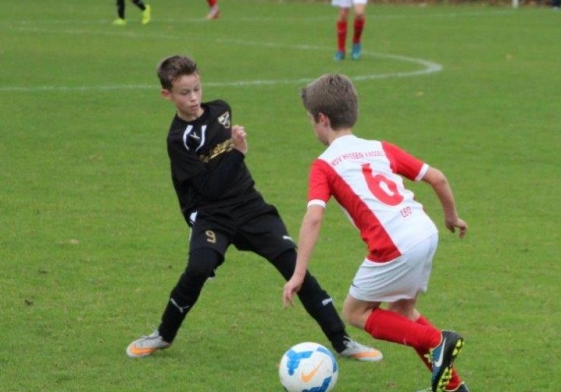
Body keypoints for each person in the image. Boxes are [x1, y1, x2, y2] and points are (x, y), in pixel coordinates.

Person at [126, 57, 382, 364]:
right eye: (184, 93)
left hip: (250, 207)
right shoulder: (178, 140)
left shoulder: (221, 111)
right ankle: (164, 334)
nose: (193, 98)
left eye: (197, 88)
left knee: (294, 266)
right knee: (198, 268)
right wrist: (238, 153)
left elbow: (224, 170)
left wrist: (234, 150)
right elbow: (208, 188)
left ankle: (341, 340)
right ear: (166, 94)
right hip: (211, 213)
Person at [283, 74, 471, 392]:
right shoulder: (379, 148)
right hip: (424, 229)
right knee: (402, 311)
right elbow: (438, 178)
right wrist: (451, 217)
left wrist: (298, 273)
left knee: (355, 313)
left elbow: (314, 217)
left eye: (311, 120)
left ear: (322, 119)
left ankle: (437, 341)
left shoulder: (324, 165)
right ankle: (452, 386)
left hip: (394, 244)